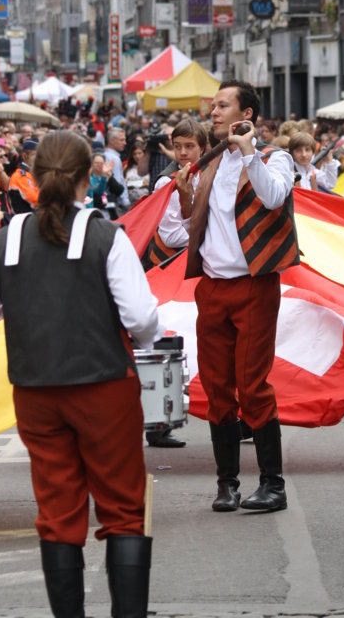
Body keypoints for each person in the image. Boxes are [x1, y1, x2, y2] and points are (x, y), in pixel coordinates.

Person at [0, 130, 160, 618]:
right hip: (104, 385)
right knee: (123, 506)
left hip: (35, 390)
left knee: (57, 508)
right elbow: (141, 318)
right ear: (85, 177)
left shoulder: (6, 240)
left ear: (36, 174)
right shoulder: (106, 235)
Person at [185, 79, 299, 513]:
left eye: (222, 106)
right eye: (213, 106)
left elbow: (273, 198)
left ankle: (273, 484)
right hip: (212, 288)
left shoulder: (275, 158)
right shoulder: (210, 164)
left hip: (254, 286)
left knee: (252, 386)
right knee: (217, 389)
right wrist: (181, 196)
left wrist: (250, 151)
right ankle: (227, 484)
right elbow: (188, 229)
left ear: (246, 115)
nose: (213, 112)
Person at [143, 117, 208, 449]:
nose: (183, 153)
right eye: (178, 146)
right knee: (168, 346)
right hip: (168, 271)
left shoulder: (209, 175)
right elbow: (169, 234)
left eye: (190, 146)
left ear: (203, 148)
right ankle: (158, 423)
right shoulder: (165, 182)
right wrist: (210, 236)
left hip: (198, 269)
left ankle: (235, 416)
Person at [8, 137, 40, 214]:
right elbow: (36, 201)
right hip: (25, 219)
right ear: (24, 156)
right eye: (35, 155)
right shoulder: (20, 176)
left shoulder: (35, 173)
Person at [103, 128, 130, 213]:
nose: (125, 143)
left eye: (125, 140)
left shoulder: (105, 155)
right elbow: (118, 182)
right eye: (121, 140)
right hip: (117, 204)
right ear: (111, 141)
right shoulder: (114, 159)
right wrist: (125, 202)